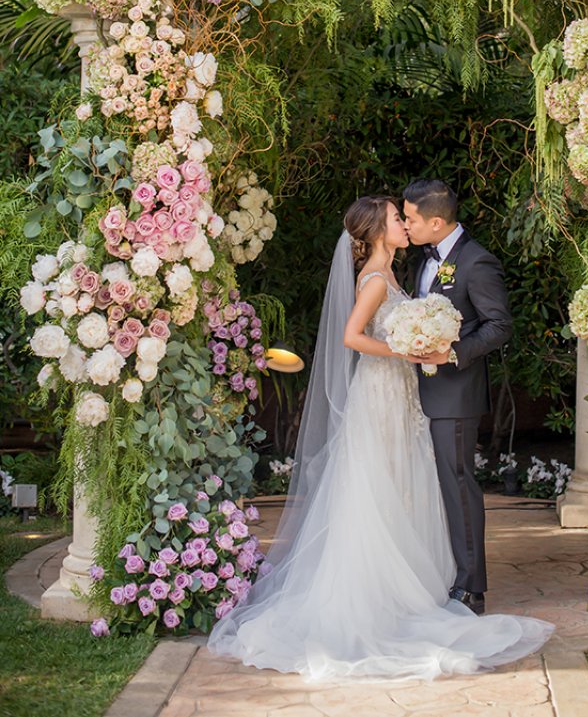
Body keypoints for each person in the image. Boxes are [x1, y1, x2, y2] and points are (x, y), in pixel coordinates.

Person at [208, 195, 552, 680]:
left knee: (403, 483)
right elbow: (352, 336)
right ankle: (377, 593)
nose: (404, 225)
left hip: (403, 393)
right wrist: (403, 351)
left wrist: (414, 349)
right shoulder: (373, 277)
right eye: (397, 218)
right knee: (378, 484)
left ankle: (409, 587)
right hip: (382, 390)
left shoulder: (395, 274)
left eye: (405, 217)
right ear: (375, 231)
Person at [402, 178, 512, 617]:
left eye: (410, 218)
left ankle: (471, 587)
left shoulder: (477, 261)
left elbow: (499, 326)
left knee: (458, 484)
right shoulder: (422, 261)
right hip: (419, 390)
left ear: (435, 221)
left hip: (456, 395)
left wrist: (452, 352)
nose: (405, 225)